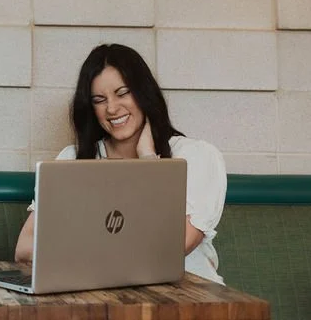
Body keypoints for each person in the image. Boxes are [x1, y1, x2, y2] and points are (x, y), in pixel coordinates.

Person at [14, 43, 227, 284]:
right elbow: (25, 248)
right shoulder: (73, 159)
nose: (112, 108)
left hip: (186, 297)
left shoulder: (196, 156)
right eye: (99, 99)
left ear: (143, 92)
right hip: (97, 296)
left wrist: (148, 159)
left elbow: (175, 246)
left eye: (123, 92)